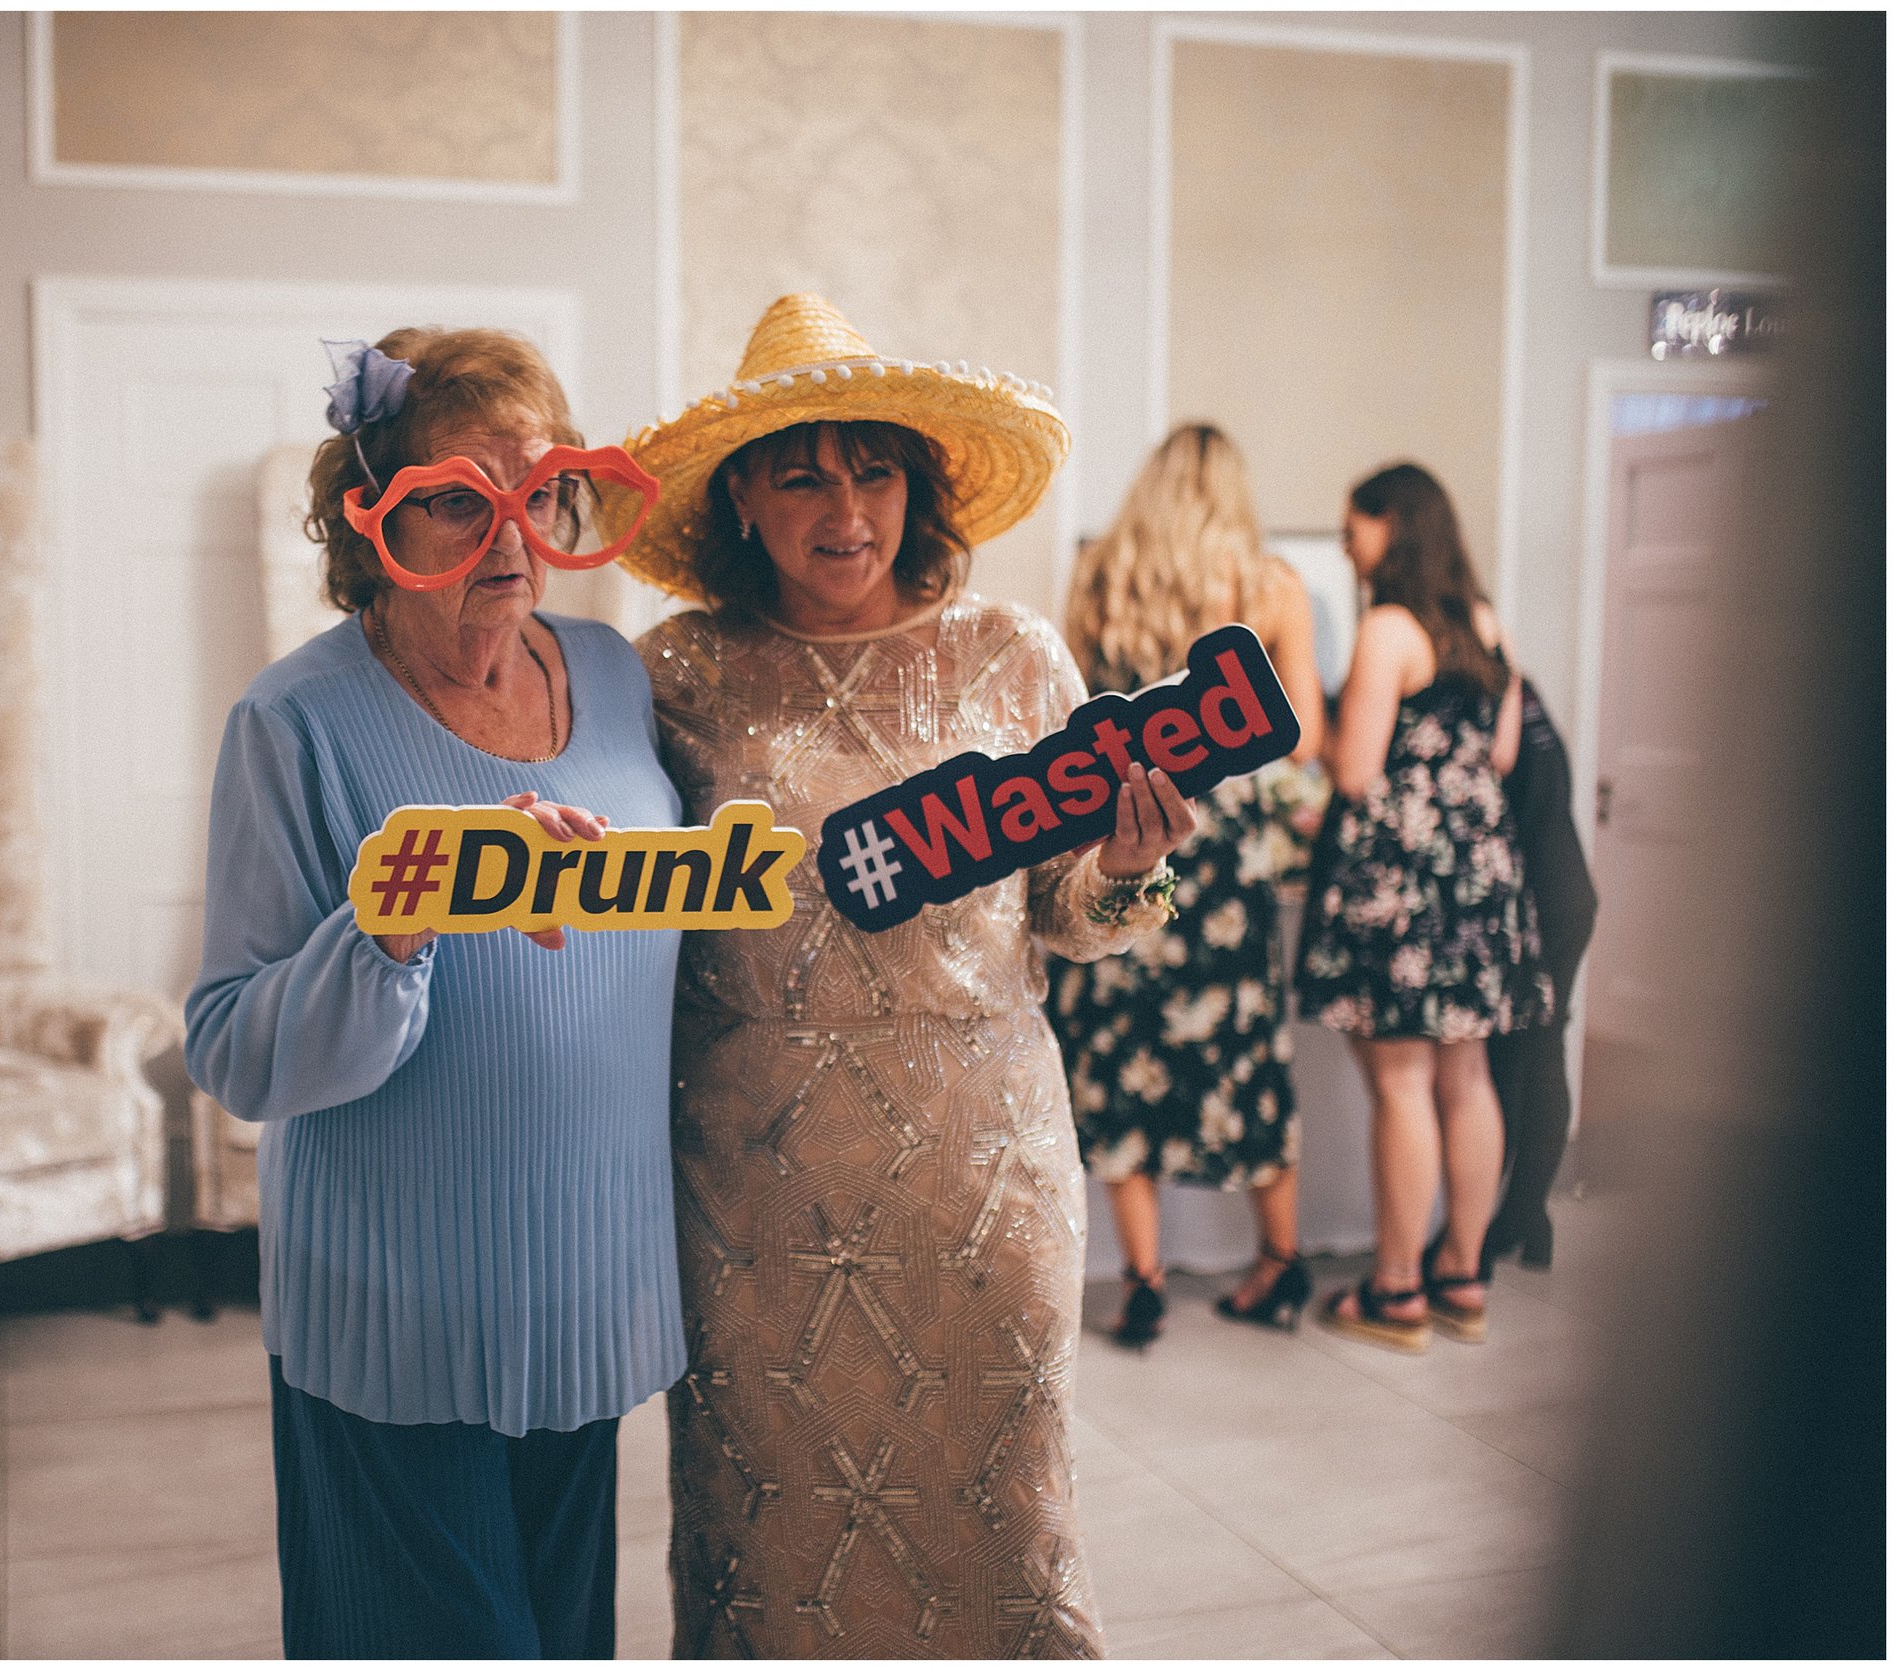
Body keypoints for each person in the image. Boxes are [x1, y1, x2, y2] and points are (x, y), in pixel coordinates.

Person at [617, 295, 1194, 1658]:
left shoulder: (1013, 657)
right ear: (742, 494)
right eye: (802, 469)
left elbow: (1082, 914)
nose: (845, 506)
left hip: (979, 1172)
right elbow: (628, 921)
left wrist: (1128, 863)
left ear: (919, 485)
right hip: (754, 1192)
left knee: (1002, 1513)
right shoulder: (678, 674)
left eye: (874, 466)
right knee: (770, 1531)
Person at [183, 328, 685, 1657]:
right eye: (462, 496)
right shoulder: (294, 722)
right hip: (396, 1316)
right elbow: (229, 1044)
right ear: (375, 519)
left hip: (587, 1293)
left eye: (538, 492)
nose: (510, 538)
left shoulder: (622, 683)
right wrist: (395, 920)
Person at [1051, 424, 1328, 1347]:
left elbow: (1079, 723)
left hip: (1130, 841)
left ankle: (1141, 1281)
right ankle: (1282, 1265)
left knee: (1121, 1059)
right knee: (1246, 1054)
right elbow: (1304, 741)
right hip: (1227, 859)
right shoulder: (1270, 587)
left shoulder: (1103, 577)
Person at [1294, 462, 1553, 1353]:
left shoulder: (1388, 630)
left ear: (1394, 528)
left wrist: (1320, 739)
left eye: (1354, 526)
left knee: (1400, 1083)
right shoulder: (1488, 626)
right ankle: (1462, 1276)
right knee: (1467, 1078)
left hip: (1400, 880)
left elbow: (1357, 769)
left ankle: (1396, 1288)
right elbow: (1506, 755)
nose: (1346, 542)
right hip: (1483, 873)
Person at [1478, 677, 1596, 1274]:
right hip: (1569, 889)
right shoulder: (1519, 693)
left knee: (1510, 1064)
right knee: (1540, 1056)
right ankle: (1531, 1220)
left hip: (1543, 901)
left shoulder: (1479, 708)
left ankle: (1501, 1226)